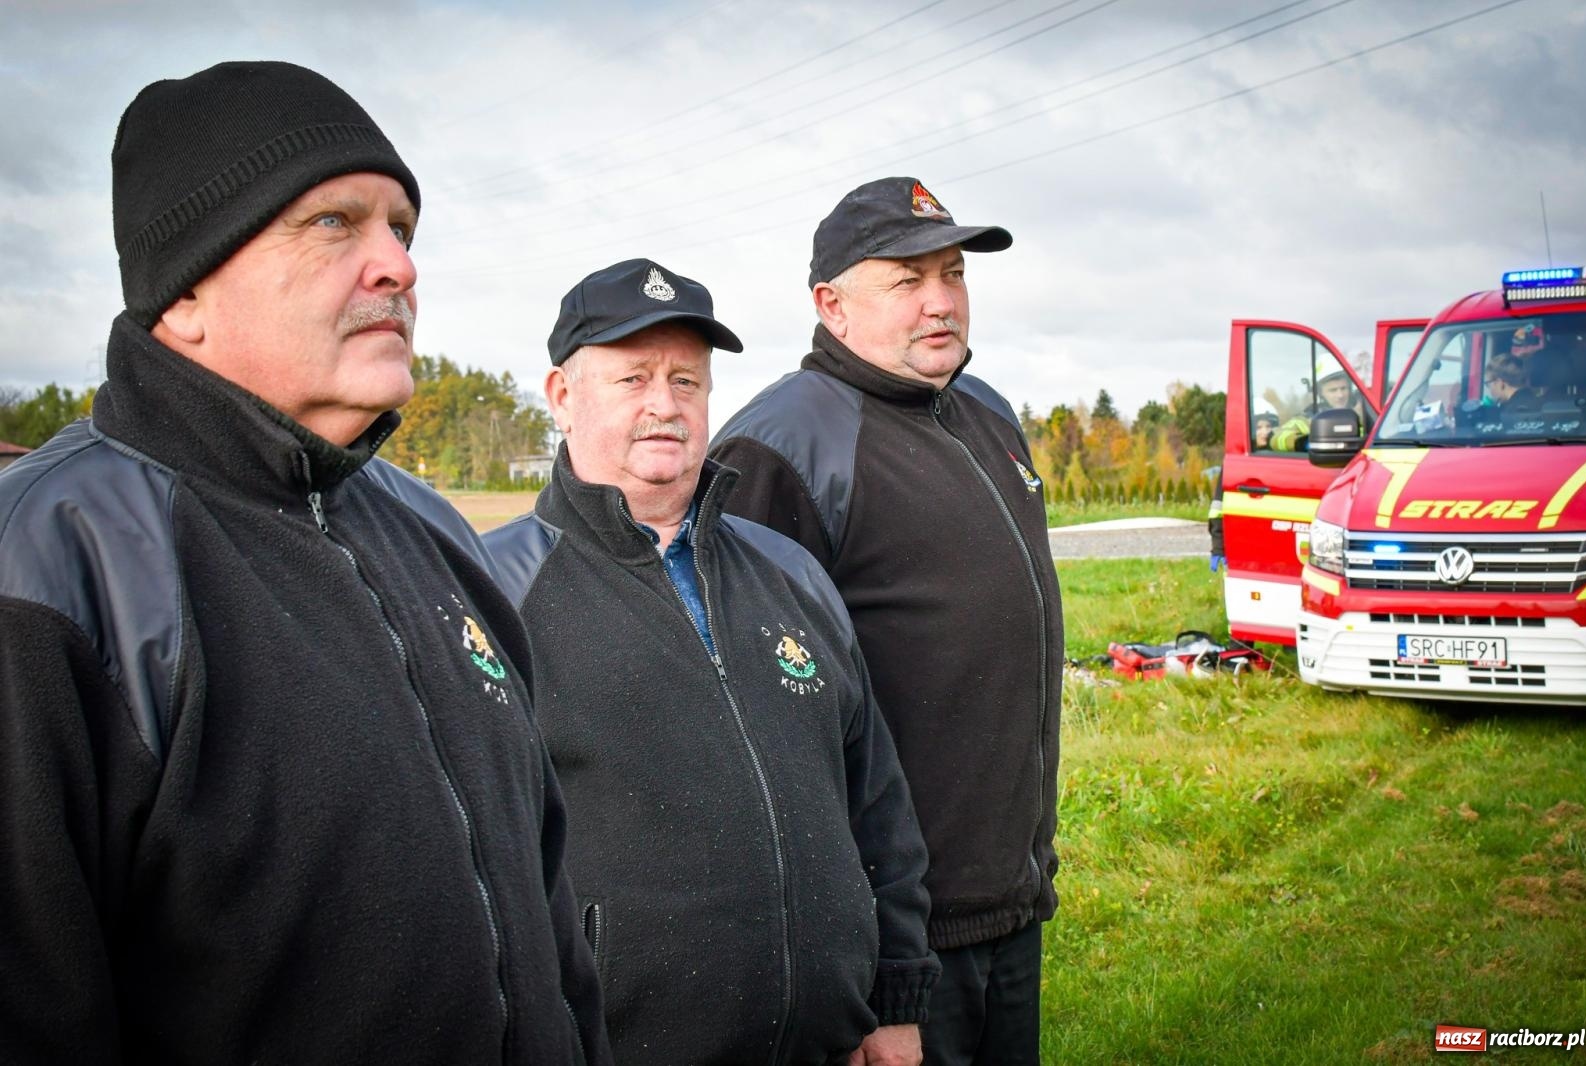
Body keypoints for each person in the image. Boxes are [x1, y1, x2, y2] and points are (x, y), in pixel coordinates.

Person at [0, 62, 608, 1065]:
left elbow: (544, 906)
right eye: (333, 223)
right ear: (186, 289)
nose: (398, 268)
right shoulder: (48, 564)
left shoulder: (436, 530)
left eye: (402, 230)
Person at [484, 258, 940, 1066]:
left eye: (686, 382)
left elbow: (877, 802)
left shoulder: (789, 573)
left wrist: (894, 999)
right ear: (562, 397)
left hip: (830, 1044)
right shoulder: (495, 594)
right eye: (632, 379)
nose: (664, 405)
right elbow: (472, 864)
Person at [709, 177, 1064, 1066]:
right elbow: (767, 734)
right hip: (895, 939)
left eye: (952, 274)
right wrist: (866, 966)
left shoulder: (987, 415)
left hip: (1010, 901)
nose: (941, 301)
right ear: (831, 304)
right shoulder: (779, 446)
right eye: (907, 281)